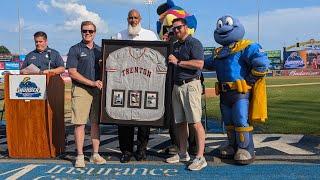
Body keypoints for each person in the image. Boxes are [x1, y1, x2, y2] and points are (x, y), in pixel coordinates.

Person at [204, 15, 270, 164]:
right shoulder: (219, 53)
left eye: (226, 24)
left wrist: (248, 81)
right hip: (224, 94)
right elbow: (205, 62)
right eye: (219, 25)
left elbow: (262, 64)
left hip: (240, 93)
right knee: (228, 121)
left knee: (240, 119)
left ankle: (246, 148)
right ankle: (233, 146)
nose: (222, 28)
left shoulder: (246, 47)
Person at [115, 9, 158, 163]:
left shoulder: (150, 35)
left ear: (140, 19)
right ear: (127, 19)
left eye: (135, 18)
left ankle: (141, 150)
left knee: (144, 120)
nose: (133, 20)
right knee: (124, 119)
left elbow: (157, 57)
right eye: (130, 18)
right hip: (125, 83)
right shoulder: (119, 36)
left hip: (145, 82)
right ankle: (126, 151)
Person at [165, 18, 207, 171]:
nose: (176, 31)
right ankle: (183, 153)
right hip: (177, 87)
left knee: (195, 122)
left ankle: (200, 157)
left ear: (186, 27)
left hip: (190, 85)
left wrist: (179, 62)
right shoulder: (175, 45)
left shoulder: (194, 43)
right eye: (173, 29)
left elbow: (199, 64)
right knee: (180, 122)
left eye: (178, 28)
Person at [66, 21, 106, 168]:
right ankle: (80, 156)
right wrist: (92, 83)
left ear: (95, 32)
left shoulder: (100, 50)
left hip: (96, 91)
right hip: (81, 90)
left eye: (90, 31)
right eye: (84, 31)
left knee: (95, 123)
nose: (87, 33)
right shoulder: (75, 49)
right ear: (81, 32)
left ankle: (95, 154)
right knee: (80, 123)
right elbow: (72, 72)